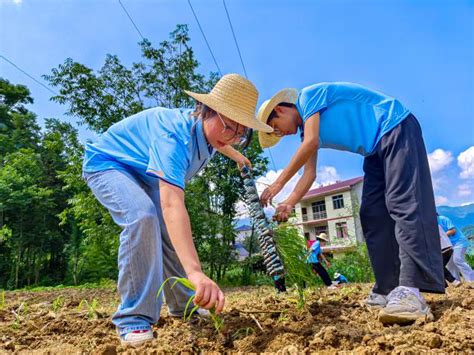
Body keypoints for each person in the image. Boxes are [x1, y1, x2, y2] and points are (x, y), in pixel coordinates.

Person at [82, 74, 273, 345]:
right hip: (108, 164)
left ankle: (185, 306)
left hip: (144, 175)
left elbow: (223, 138)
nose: (232, 137)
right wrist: (195, 272)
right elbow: (172, 203)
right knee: (142, 216)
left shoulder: (213, 134)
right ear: (207, 110)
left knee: (172, 236)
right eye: (230, 128)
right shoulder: (174, 137)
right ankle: (133, 318)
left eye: (241, 134)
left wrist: (238, 155)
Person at [257, 82, 444, 324]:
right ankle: (388, 288)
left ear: (280, 110)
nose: (283, 134)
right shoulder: (305, 133)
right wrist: (289, 203)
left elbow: (312, 142)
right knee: (372, 214)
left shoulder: (309, 97)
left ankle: (411, 290)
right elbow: (309, 174)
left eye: (276, 129)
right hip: (374, 150)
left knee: (403, 204)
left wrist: (277, 184)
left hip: (395, 126)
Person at [438, 214, 474, 283]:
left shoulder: (443, 219)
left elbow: (453, 230)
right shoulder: (431, 224)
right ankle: (457, 282)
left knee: (457, 259)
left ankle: (471, 279)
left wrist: (441, 236)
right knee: (450, 264)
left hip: (459, 242)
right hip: (448, 245)